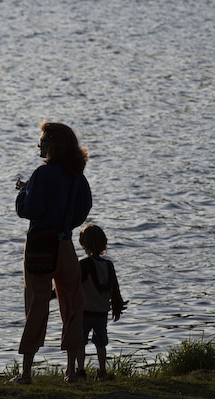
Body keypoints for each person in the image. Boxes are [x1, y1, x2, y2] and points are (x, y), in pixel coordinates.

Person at [8, 121, 92, 384]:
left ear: (53, 143)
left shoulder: (42, 175)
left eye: (42, 140)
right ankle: (72, 371)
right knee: (72, 306)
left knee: (36, 305)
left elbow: (28, 210)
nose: (38, 144)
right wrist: (65, 225)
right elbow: (83, 208)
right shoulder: (77, 175)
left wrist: (24, 193)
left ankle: (26, 373)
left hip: (39, 247)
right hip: (65, 245)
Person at [76, 224, 127, 381]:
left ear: (84, 244)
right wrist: (116, 308)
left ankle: (81, 371)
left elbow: (72, 286)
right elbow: (115, 290)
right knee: (101, 343)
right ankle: (102, 371)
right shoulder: (108, 265)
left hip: (85, 311)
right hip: (102, 311)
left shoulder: (83, 265)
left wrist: (51, 295)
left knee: (80, 343)